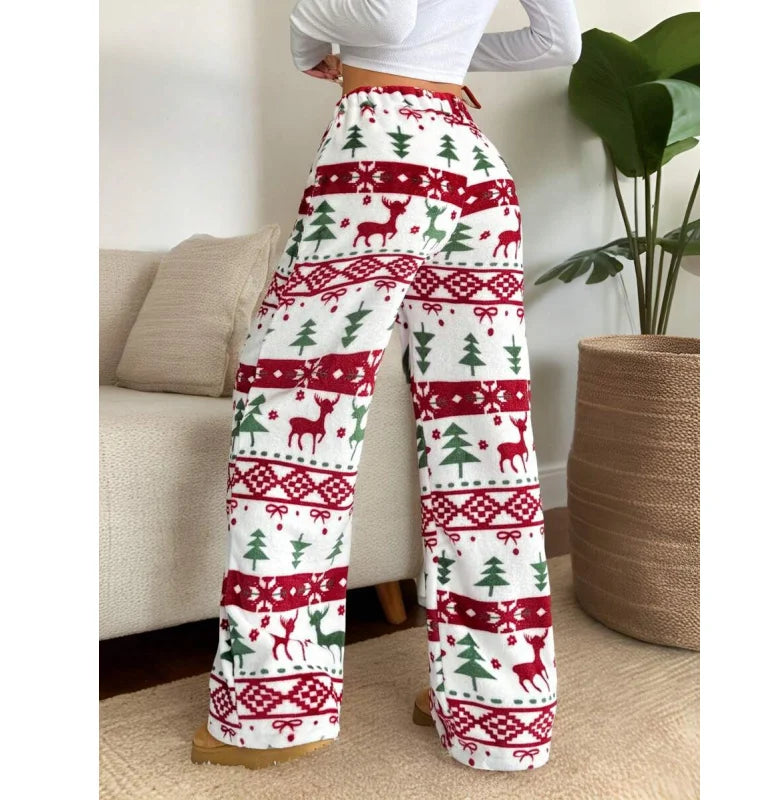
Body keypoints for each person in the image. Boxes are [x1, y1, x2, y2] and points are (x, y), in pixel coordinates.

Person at [191, 0, 581, 773]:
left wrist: (307, 36)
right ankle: (499, 711)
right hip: (472, 160)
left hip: (382, 149)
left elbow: (388, 17)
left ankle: (275, 709)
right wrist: (446, 59)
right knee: (486, 433)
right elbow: (555, 40)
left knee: (291, 404)